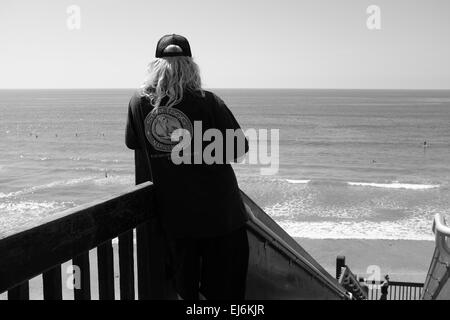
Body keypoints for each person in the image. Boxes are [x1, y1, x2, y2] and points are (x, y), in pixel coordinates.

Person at [125, 34, 250, 300]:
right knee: (225, 296)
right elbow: (240, 149)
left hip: (174, 222)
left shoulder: (138, 103)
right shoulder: (208, 101)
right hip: (222, 219)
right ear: (191, 66)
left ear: (155, 66)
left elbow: (133, 143)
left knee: (185, 295)